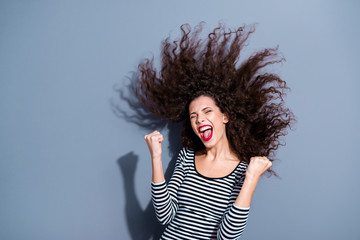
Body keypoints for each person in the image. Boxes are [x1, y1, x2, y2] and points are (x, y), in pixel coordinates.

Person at [134, 23, 295, 239]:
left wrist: (251, 179)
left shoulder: (243, 171)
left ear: (225, 116)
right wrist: (155, 157)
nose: (200, 120)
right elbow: (165, 216)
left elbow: (226, 236)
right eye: (194, 116)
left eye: (207, 111)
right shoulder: (186, 158)